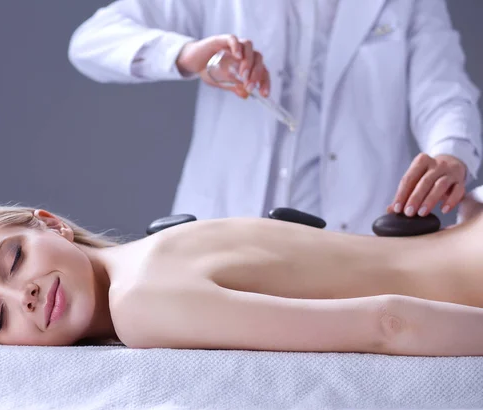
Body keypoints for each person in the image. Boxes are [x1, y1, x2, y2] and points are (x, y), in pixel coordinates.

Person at [68, 0, 482, 235]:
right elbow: (90, 41)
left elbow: (443, 92)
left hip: (352, 240)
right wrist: (187, 55)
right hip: (221, 233)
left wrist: (451, 153)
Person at [0, 192, 483, 356]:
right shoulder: (161, 244)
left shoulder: (141, 304)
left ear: (52, 224)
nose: (25, 296)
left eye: (13, 260)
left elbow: (385, 323)